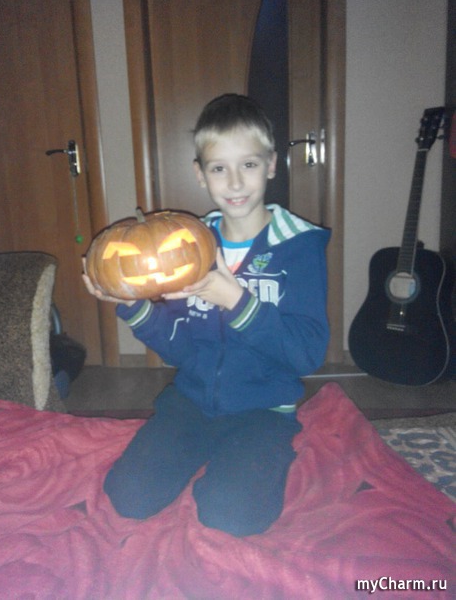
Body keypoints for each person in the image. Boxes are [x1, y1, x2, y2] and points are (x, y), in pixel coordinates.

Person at [83, 93, 330, 537]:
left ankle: (244, 464)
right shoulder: (188, 244)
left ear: (272, 165)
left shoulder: (299, 246)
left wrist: (236, 301)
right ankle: (206, 454)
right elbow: (181, 349)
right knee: (127, 496)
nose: (235, 182)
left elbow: (305, 354)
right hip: (191, 403)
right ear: (200, 174)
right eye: (218, 168)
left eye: (248, 164)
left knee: (232, 516)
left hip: (263, 410)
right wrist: (134, 306)